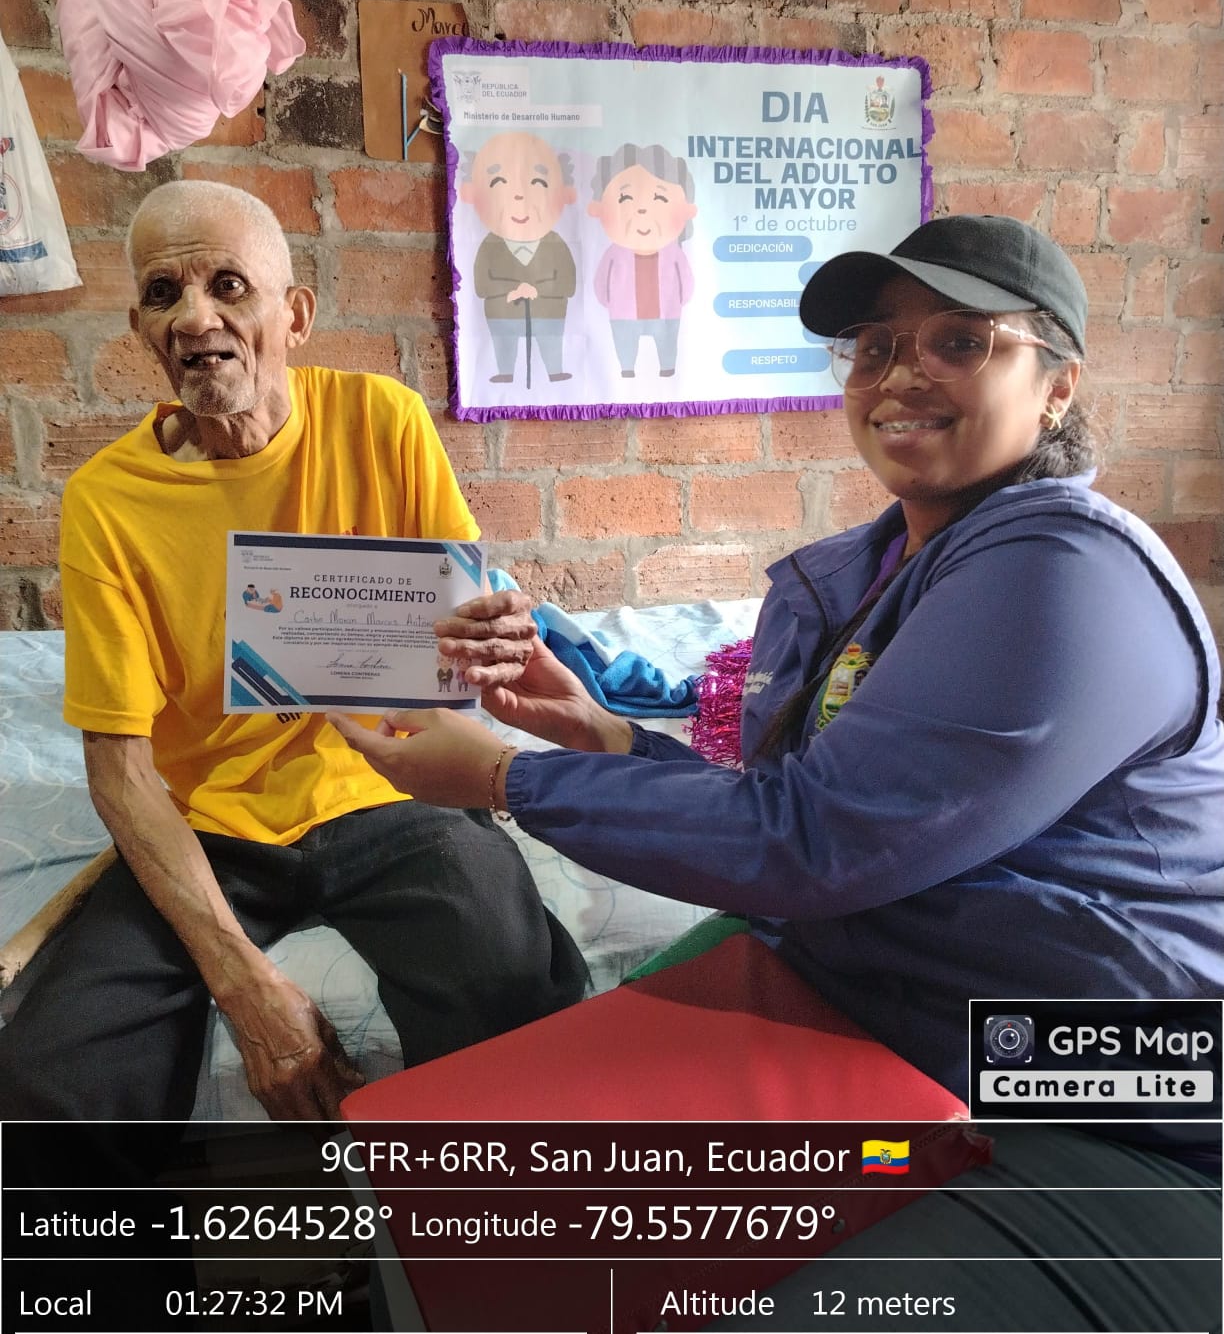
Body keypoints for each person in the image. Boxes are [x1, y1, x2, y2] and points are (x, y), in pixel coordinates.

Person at [332, 213, 1224, 1106]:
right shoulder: (856, 576)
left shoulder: (1064, 569)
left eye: (960, 342)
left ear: (1057, 387)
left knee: (551, 1168)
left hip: (1092, 1065)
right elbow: (793, 807)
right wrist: (603, 734)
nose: (900, 375)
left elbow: (817, 842)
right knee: (478, 1131)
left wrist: (502, 778)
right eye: (874, 347)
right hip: (880, 981)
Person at [0, 180, 586, 1134]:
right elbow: (119, 764)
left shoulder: (384, 421)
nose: (196, 319)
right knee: (50, 1084)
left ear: (296, 315)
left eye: (228, 285)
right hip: (209, 823)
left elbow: (456, 641)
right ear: (141, 332)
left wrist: (492, 639)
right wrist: (244, 984)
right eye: (164, 295)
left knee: (512, 996)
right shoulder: (108, 502)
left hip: (391, 789)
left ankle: (466, 1230)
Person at [459, 131, 578, 385]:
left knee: (551, 340)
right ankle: (506, 372)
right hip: (502, 315)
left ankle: (554, 371)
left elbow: (568, 283)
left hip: (550, 313)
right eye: (498, 182)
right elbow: (481, 285)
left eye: (538, 183)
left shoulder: (556, 243)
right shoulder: (489, 245)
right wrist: (511, 291)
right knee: (504, 341)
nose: (519, 196)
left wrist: (537, 289)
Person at [588, 142, 697, 380]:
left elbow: (686, 282)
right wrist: (608, 301)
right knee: (625, 343)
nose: (642, 210)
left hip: (665, 312)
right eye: (626, 197)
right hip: (624, 313)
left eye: (660, 197)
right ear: (599, 208)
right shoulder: (615, 253)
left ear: (686, 210)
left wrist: (681, 299)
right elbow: (602, 282)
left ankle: (667, 368)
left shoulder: (673, 252)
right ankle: (627, 368)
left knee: (667, 343)